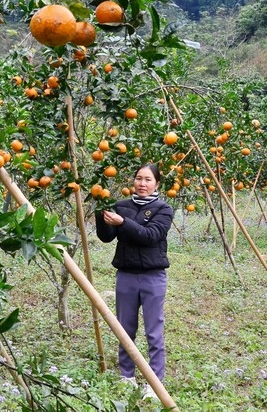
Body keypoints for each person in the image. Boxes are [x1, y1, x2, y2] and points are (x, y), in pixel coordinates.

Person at [95, 163, 174, 395]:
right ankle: (127, 376)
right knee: (125, 329)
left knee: (153, 331)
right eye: (139, 178)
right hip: (126, 276)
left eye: (148, 180)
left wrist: (123, 222)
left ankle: (154, 382)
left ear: (157, 184)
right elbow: (107, 237)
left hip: (153, 277)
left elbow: (151, 236)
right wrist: (101, 212)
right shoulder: (121, 205)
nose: (142, 184)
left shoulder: (164, 209)